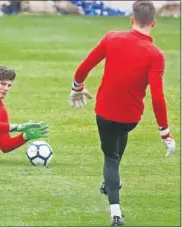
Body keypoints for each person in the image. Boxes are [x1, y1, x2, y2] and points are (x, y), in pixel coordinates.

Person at [68, 1, 176, 226]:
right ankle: (108, 182)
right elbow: (157, 96)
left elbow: (84, 67)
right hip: (131, 118)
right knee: (116, 151)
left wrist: (77, 87)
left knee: (110, 157)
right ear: (154, 23)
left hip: (105, 113)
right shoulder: (156, 55)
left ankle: (115, 212)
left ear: (131, 19)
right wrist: (165, 132)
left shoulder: (112, 38)